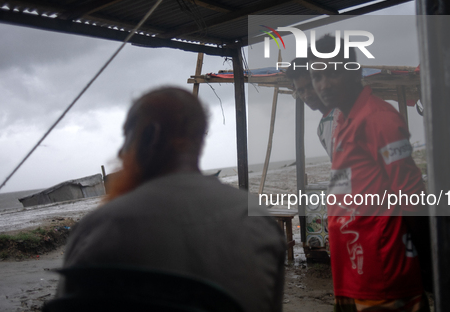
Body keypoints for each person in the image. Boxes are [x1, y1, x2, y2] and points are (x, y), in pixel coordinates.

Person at [57, 87, 286, 312]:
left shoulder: (96, 229)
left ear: (150, 135)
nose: (120, 153)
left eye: (128, 135)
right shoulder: (258, 219)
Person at [309, 35, 430, 312]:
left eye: (333, 73)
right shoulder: (340, 119)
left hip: (383, 270)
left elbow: (411, 193)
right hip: (352, 266)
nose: (323, 85)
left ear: (354, 71)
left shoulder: (378, 118)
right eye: (317, 76)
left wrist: (426, 261)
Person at [285, 58, 341, 160]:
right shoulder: (321, 129)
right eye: (301, 91)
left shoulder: (344, 116)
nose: (307, 96)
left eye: (310, 87)